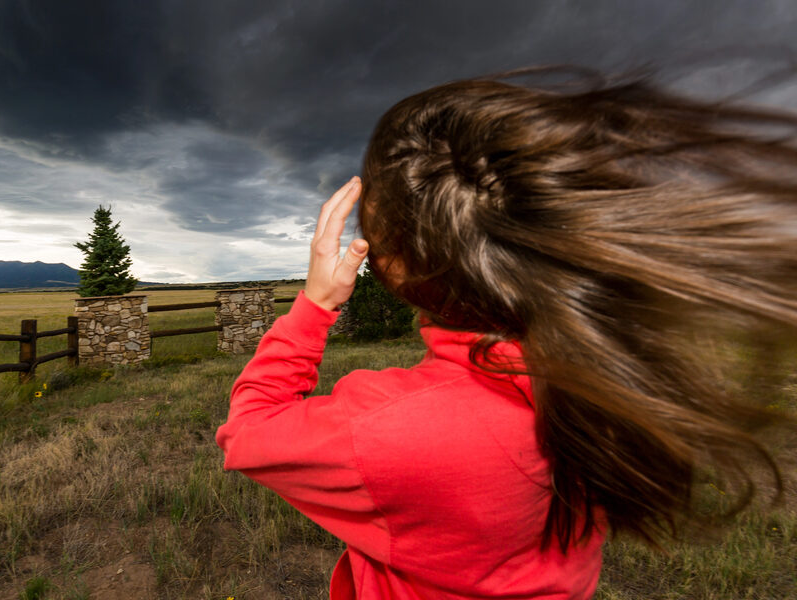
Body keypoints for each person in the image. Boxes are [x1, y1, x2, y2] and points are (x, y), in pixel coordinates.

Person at [216, 73, 797, 599]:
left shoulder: (386, 432)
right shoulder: (603, 371)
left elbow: (247, 431)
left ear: (391, 265)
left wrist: (315, 304)